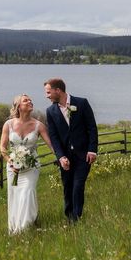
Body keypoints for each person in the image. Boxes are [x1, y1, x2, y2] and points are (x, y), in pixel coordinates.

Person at [44, 78, 98, 223]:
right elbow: (54, 137)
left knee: (78, 185)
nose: (47, 96)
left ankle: (76, 217)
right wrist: (60, 157)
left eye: (49, 92)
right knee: (67, 187)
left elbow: (92, 128)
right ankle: (69, 216)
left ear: (58, 90)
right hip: (65, 157)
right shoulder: (50, 111)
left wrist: (92, 150)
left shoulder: (82, 103)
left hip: (83, 155)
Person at [0, 94, 54, 234]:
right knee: (15, 195)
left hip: (32, 167)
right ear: (18, 106)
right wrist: (10, 161)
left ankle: (25, 226)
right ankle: (15, 228)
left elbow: (52, 146)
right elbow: (3, 148)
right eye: (26, 100)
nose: (30, 101)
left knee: (28, 192)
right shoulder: (8, 124)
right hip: (13, 167)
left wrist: (62, 156)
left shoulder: (38, 125)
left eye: (30, 100)